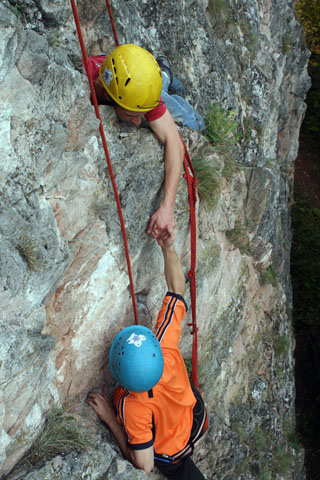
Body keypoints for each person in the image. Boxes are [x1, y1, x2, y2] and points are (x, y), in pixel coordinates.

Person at [87, 232, 208, 479]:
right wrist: (168, 247)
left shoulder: (132, 406)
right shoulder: (164, 343)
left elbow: (145, 465)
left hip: (174, 454)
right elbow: (176, 289)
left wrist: (110, 418)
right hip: (197, 417)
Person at [83, 44, 205, 241]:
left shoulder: (134, 94)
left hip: (141, 82)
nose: (139, 122)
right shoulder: (93, 82)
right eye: (133, 115)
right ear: (108, 96)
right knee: (160, 97)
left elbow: (175, 143)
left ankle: (165, 77)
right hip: (134, 80)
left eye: (141, 115)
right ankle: (164, 74)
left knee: (190, 120)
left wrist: (167, 207)